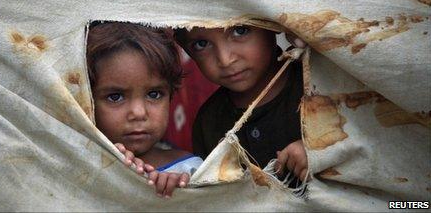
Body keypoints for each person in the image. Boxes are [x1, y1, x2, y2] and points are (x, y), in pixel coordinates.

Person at [174, 25, 308, 182]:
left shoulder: (322, 85)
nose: (225, 60)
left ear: (273, 22)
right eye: (201, 44)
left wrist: (323, 152)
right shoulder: (208, 123)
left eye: (240, 31)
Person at [87, 21, 203, 198]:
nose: (139, 113)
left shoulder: (188, 169)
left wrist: (176, 192)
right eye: (115, 97)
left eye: (154, 94)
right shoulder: (77, 163)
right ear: (87, 100)